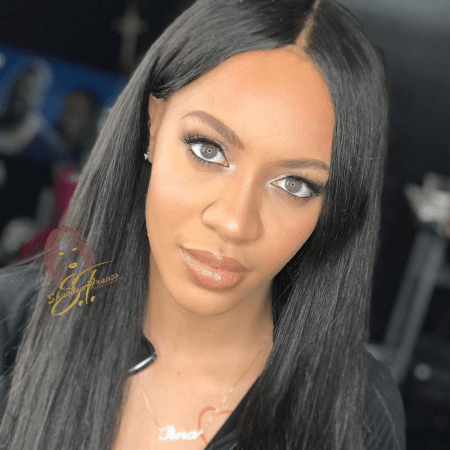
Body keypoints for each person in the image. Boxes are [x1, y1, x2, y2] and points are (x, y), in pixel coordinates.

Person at [0, 0, 406, 449]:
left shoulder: (359, 412)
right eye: (208, 150)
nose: (234, 223)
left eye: (294, 184)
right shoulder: (11, 326)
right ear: (153, 125)